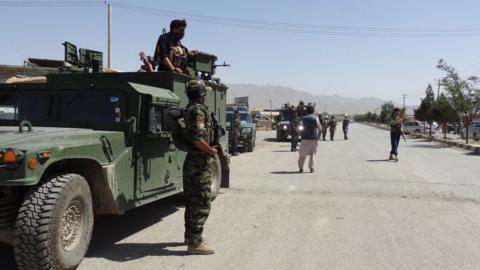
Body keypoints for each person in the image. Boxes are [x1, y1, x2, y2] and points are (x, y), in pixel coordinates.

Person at [183, 80, 217, 255]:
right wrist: (211, 150)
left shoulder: (189, 108)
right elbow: (197, 139)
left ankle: (190, 236)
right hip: (199, 163)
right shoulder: (196, 110)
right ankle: (195, 243)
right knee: (202, 202)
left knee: (192, 201)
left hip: (193, 162)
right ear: (201, 95)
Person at [298, 106, 321, 173]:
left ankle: (301, 168)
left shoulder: (303, 118)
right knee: (312, 155)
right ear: (313, 111)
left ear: (307, 111)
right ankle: (311, 168)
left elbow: (300, 128)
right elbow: (320, 128)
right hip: (313, 139)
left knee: (302, 155)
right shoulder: (315, 118)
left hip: (304, 139)